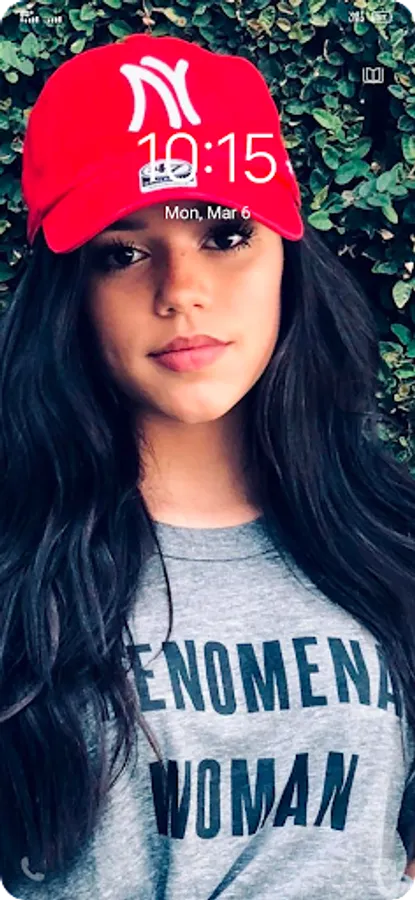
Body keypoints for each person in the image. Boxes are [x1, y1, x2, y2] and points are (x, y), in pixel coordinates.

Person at [0, 31, 414, 900]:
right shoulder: (16, 567)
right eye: (122, 252)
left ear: (286, 261)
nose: (180, 288)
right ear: (68, 295)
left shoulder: (390, 539)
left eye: (224, 235)